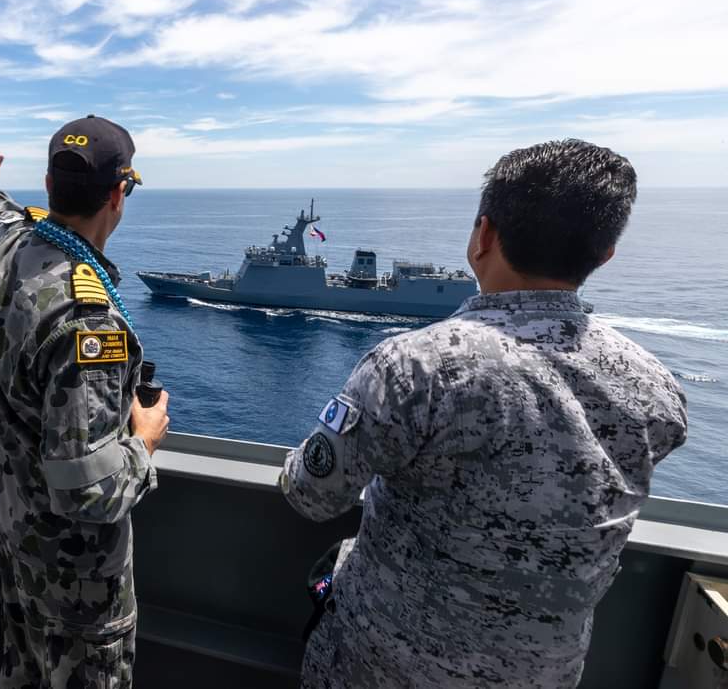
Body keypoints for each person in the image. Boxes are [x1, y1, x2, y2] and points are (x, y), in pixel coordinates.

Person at [281, 139, 687, 689]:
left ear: (484, 236)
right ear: (604, 253)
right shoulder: (655, 387)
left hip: (381, 666)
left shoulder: (413, 367)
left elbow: (312, 493)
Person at [0, 115, 169, 689]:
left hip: (17, 540)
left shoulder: (19, 242)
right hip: (78, 585)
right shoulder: (85, 323)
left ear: (48, 186)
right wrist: (144, 440)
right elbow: (85, 491)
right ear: (119, 195)